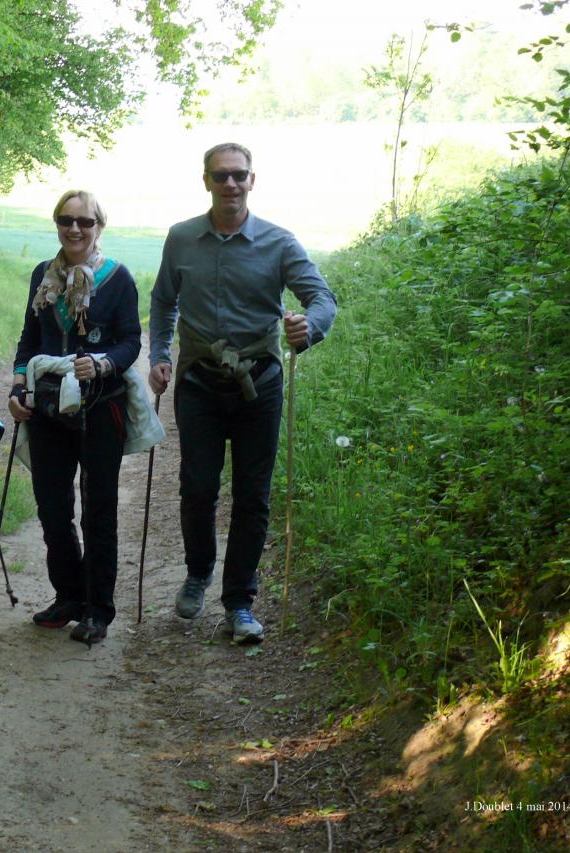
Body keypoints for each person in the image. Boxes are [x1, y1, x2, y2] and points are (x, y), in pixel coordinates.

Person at [150, 142, 337, 644]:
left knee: (253, 496)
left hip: (261, 383)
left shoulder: (278, 242)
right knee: (197, 488)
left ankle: (240, 602)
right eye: (220, 176)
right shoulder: (182, 238)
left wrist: (308, 328)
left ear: (253, 180)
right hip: (198, 382)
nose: (230, 184)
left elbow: (322, 298)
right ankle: (197, 574)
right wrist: (159, 356)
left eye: (239, 175)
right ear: (205, 180)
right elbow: (164, 301)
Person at [8, 189, 142, 645]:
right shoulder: (41, 278)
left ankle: (98, 608)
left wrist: (103, 363)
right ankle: (69, 595)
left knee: (98, 510)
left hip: (101, 406)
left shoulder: (117, 279)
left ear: (98, 226)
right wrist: (17, 385)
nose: (74, 229)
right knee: (51, 507)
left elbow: (130, 342)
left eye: (85, 221)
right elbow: (29, 340)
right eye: (66, 220)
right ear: (57, 224)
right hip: (47, 408)